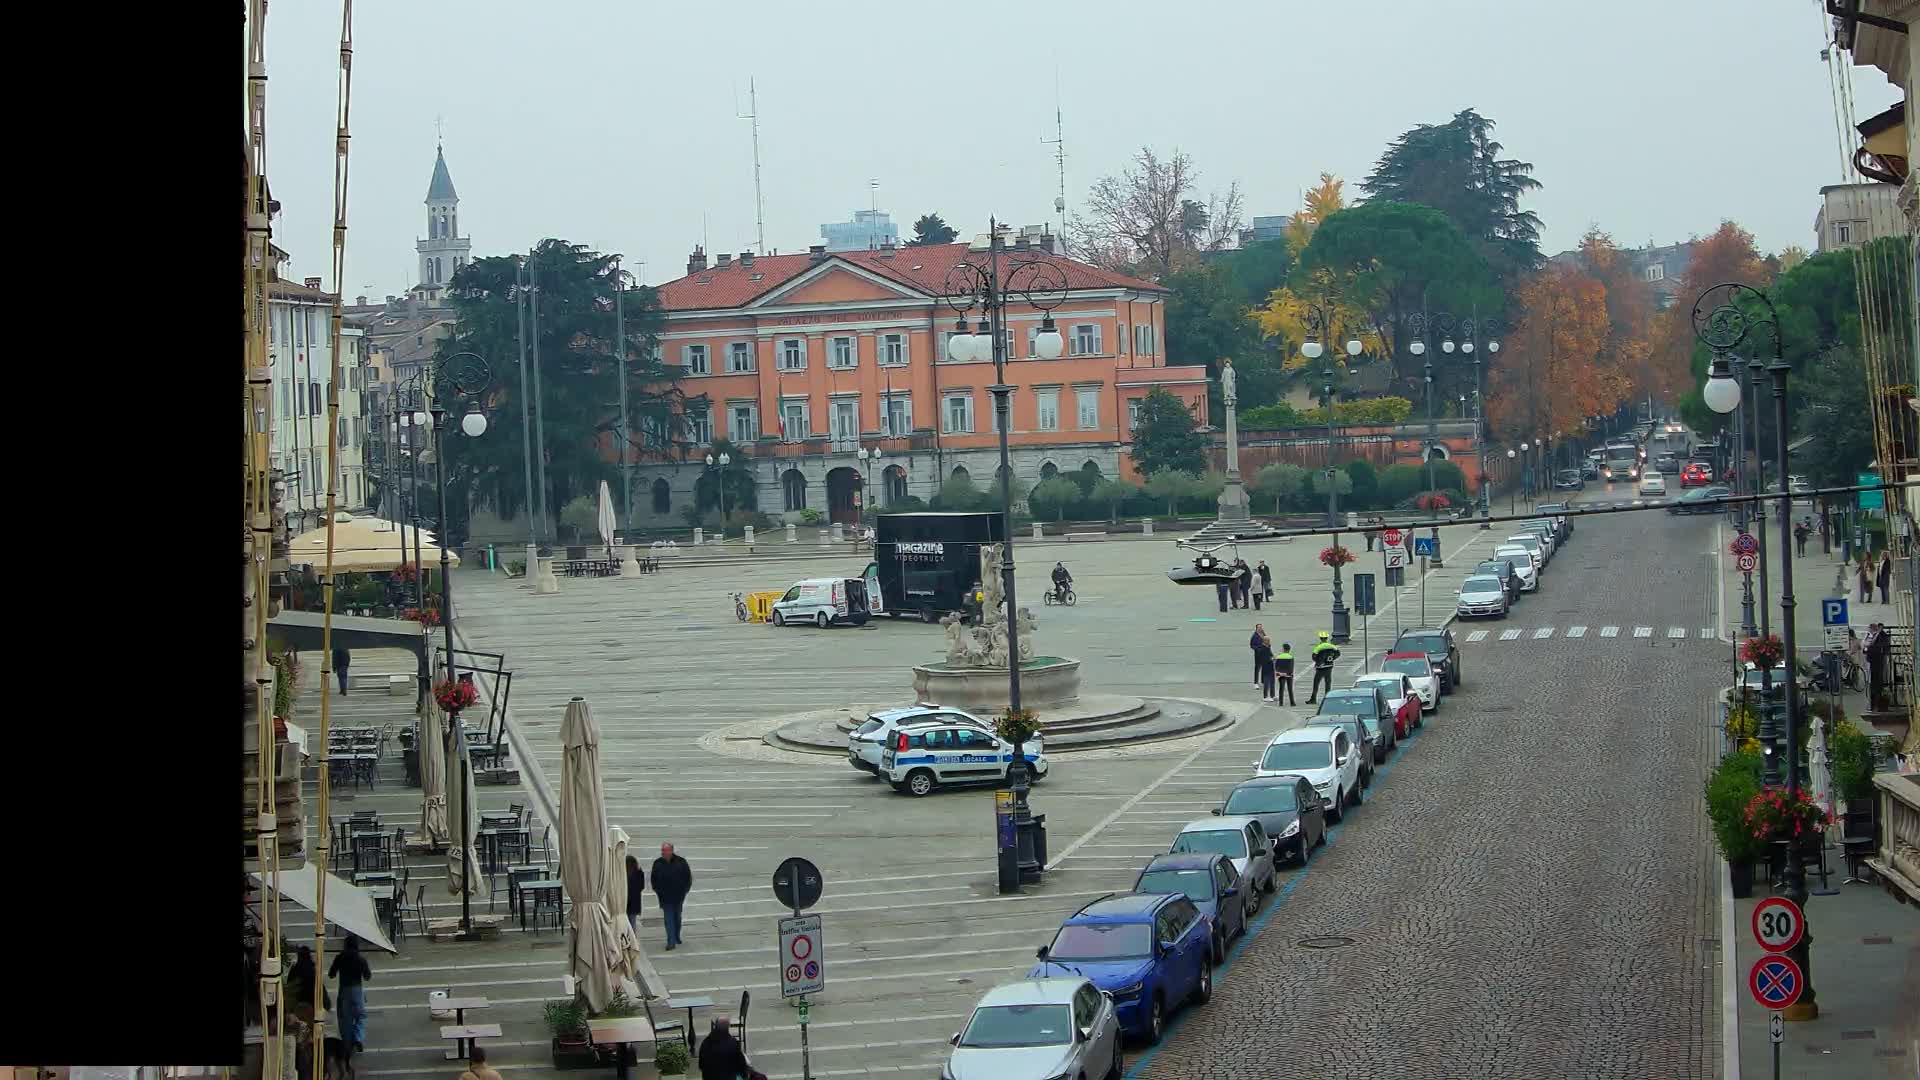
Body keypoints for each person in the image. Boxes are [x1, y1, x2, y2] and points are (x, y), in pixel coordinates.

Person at [328, 935, 371, 1054]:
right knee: (360, 1016)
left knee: (344, 1018)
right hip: (357, 990)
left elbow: (331, 974)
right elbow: (367, 976)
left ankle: (346, 1043)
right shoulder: (361, 959)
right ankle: (358, 1038)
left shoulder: (340, 957)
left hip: (344, 991)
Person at [651, 842, 693, 951]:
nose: (663, 852)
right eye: (662, 850)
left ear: (671, 850)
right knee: (668, 919)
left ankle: (676, 935)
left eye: (665, 850)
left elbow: (688, 877)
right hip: (665, 897)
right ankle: (671, 941)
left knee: (677, 917)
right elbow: (653, 879)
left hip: (678, 896)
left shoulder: (681, 862)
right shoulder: (657, 863)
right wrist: (657, 891)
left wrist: (685, 890)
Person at [1306, 631, 1340, 704]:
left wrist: (1318, 662)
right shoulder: (1331, 646)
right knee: (1328, 683)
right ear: (1327, 638)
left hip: (1320, 668)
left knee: (1316, 683)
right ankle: (1327, 699)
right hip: (1329, 666)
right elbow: (1338, 653)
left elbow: (1314, 656)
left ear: (1320, 638)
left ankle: (1313, 699)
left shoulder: (1318, 647)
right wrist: (1333, 658)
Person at [1866, 622, 1892, 711]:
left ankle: (1877, 705)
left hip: (1879, 662)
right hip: (1873, 662)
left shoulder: (1882, 636)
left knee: (1878, 684)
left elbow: (1884, 647)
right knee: (1873, 685)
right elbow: (1866, 645)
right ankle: (1873, 705)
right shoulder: (1872, 636)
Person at [1253, 626, 1276, 702]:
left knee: (1272, 682)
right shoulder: (1262, 649)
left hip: (1271, 667)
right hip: (1266, 668)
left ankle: (1273, 695)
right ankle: (1265, 696)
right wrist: (1271, 659)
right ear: (1265, 641)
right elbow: (1265, 659)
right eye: (1268, 640)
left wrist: (1273, 656)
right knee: (1266, 682)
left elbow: (1270, 654)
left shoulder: (1267, 647)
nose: (1269, 642)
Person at [624, 853, 645, 935]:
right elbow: (642, 886)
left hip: (625, 901)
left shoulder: (623, 874)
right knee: (632, 922)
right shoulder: (639, 873)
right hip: (634, 902)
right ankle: (633, 940)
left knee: (625, 922)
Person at [1274, 642, 1297, 706]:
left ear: (1283, 649)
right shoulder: (1290, 657)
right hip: (1289, 675)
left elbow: (1276, 666)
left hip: (1281, 675)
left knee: (1281, 688)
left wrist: (1278, 673)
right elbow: (1291, 667)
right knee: (1290, 689)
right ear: (1289, 650)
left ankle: (1281, 702)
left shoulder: (1279, 656)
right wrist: (1290, 673)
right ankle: (1292, 702)